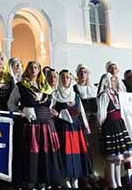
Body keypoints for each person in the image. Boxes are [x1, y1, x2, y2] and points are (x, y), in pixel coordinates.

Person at [7, 61, 63, 189]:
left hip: (46, 126)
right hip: (31, 126)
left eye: (36, 67)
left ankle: (43, 182)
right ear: (27, 70)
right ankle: (30, 182)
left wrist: (51, 111)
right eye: (31, 67)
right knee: (32, 154)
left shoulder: (46, 87)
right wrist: (22, 111)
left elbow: (51, 104)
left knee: (45, 154)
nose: (33, 69)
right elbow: (11, 104)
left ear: (39, 70)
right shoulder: (21, 86)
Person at [52, 70, 91, 188]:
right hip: (62, 129)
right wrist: (59, 114)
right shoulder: (55, 95)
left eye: (67, 77)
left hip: (76, 129)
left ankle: (75, 180)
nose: (65, 80)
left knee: (76, 154)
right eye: (63, 77)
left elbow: (81, 112)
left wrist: (86, 126)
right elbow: (49, 109)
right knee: (65, 153)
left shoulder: (75, 95)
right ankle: (65, 180)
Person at [97, 73, 132, 190]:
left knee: (119, 157)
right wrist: (101, 125)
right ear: (107, 82)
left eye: (114, 80)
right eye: (112, 80)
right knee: (112, 157)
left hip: (119, 124)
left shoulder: (116, 94)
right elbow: (102, 112)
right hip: (110, 125)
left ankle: (119, 181)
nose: (114, 82)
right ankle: (112, 182)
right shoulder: (104, 95)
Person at [75, 64, 103, 185]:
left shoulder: (94, 88)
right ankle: (86, 173)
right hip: (82, 122)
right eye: (80, 72)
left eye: (85, 72)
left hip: (93, 121)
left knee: (95, 147)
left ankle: (96, 173)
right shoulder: (75, 88)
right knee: (84, 147)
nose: (83, 74)